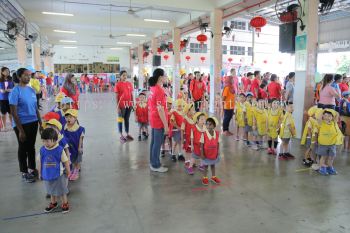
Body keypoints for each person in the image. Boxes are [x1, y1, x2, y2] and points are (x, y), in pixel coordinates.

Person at [9, 68, 43, 183]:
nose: (28, 77)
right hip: (21, 124)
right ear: (19, 77)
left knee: (31, 147)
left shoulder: (31, 90)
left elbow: (35, 108)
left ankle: (32, 169)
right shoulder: (15, 91)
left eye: (29, 75)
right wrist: (21, 130)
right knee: (23, 148)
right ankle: (24, 172)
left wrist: (41, 123)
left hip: (33, 122)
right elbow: (13, 112)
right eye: (25, 75)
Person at [38, 128, 70, 213]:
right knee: (51, 191)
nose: (45, 143)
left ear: (55, 140)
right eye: (43, 141)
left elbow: (66, 161)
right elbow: (40, 161)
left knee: (62, 191)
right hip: (47, 175)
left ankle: (65, 203)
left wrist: (68, 171)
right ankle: (53, 203)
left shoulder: (59, 150)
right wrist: (40, 173)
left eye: (47, 141)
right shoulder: (42, 150)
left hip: (58, 175)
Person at [148, 68, 169, 173]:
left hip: (153, 117)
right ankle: (155, 165)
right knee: (158, 142)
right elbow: (160, 109)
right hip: (158, 119)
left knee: (154, 142)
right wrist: (166, 125)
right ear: (160, 77)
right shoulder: (159, 90)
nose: (166, 77)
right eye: (165, 75)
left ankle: (153, 161)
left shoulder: (152, 88)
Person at [316, 109, 342, 175]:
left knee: (331, 157)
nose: (327, 117)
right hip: (323, 144)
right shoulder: (321, 123)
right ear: (323, 116)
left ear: (332, 117)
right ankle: (322, 168)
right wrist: (323, 110)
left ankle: (330, 167)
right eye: (325, 116)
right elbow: (319, 118)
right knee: (323, 156)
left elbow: (337, 114)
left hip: (332, 144)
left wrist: (332, 110)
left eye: (329, 116)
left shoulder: (333, 123)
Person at [63, 109, 85, 181]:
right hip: (69, 148)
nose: (68, 119)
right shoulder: (64, 128)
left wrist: (80, 147)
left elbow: (80, 139)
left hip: (77, 147)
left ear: (75, 118)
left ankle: (76, 172)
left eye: (70, 117)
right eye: (66, 117)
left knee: (77, 160)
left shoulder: (80, 129)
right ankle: (72, 170)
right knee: (71, 159)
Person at [200, 117, 221, 186]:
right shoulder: (204, 134)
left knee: (213, 165)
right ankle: (205, 177)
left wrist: (218, 151)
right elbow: (202, 145)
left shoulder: (217, 134)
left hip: (214, 153)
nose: (208, 126)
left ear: (214, 126)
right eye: (207, 124)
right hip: (206, 154)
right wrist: (202, 154)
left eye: (210, 124)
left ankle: (213, 177)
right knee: (205, 166)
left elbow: (218, 143)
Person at [114, 70, 134, 143]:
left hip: (128, 104)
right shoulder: (118, 84)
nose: (125, 77)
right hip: (121, 105)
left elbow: (131, 94)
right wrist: (118, 107)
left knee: (127, 119)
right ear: (120, 76)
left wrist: (132, 103)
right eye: (123, 75)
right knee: (120, 119)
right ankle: (120, 134)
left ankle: (127, 133)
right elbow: (116, 96)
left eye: (126, 75)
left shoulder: (129, 84)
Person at [181, 103, 196, 173]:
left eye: (193, 110)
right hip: (187, 138)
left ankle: (191, 161)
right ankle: (187, 161)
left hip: (193, 138)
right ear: (187, 111)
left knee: (192, 150)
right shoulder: (185, 119)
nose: (193, 111)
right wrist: (182, 139)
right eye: (191, 110)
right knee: (187, 150)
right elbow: (182, 130)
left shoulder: (193, 119)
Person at [0, 67, 14, 131]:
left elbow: (14, 88)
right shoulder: (0, 79)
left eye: (8, 71)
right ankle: (4, 127)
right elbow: (1, 89)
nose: (7, 72)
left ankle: (13, 125)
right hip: (2, 99)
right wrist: (1, 90)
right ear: (2, 72)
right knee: (3, 113)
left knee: (11, 113)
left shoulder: (11, 79)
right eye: (6, 71)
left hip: (10, 98)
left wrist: (10, 90)